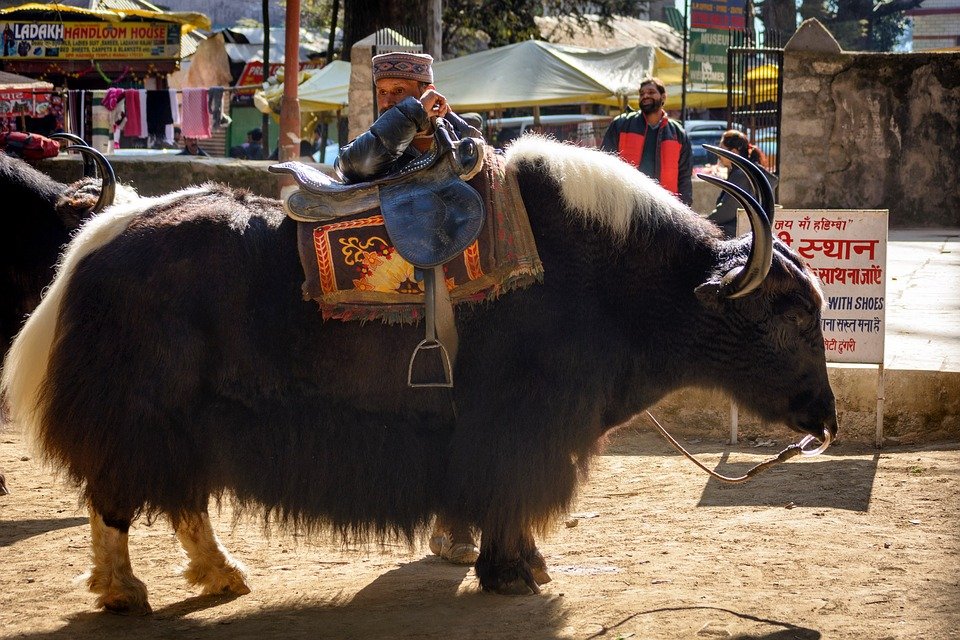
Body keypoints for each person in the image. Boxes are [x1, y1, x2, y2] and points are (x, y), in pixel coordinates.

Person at [334, 52, 481, 566]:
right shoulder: (383, 138)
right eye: (385, 95)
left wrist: (429, 121)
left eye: (402, 92)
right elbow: (354, 166)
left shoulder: (465, 132)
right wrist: (408, 116)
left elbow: (472, 160)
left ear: (426, 86)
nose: (389, 102)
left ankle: (458, 516)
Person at [335, 51, 481, 183]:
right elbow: (355, 166)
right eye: (382, 92)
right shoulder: (371, 143)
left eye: (398, 90)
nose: (386, 102)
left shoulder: (458, 136)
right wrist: (416, 111)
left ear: (428, 92)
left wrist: (417, 110)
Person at [600, 76, 693, 206]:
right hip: (627, 204)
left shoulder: (678, 133)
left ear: (663, 97)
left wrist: (685, 208)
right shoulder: (621, 125)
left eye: (651, 92)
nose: (645, 96)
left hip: (665, 207)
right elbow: (605, 164)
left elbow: (684, 176)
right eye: (642, 94)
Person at [706, 129, 779, 238]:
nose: (719, 155)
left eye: (722, 149)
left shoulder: (742, 175)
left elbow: (728, 210)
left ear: (734, 152)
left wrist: (704, 223)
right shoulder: (750, 171)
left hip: (737, 234)